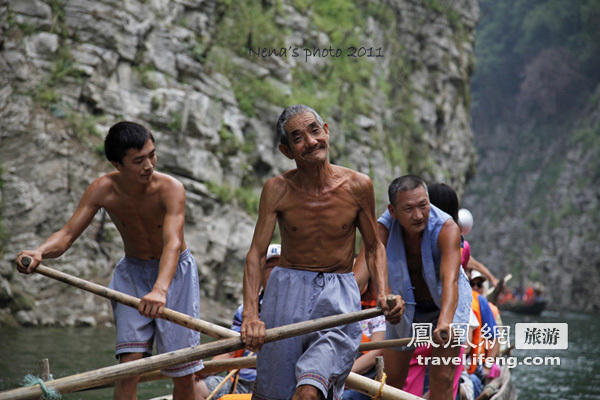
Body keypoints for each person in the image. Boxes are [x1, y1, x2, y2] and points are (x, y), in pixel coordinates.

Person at [15, 121, 202, 400]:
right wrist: (39, 252)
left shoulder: (171, 188)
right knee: (128, 369)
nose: (149, 165)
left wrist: (161, 289)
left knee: (182, 370)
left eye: (152, 155)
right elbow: (66, 235)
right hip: (132, 274)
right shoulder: (102, 189)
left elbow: (172, 243)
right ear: (117, 164)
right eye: (138, 161)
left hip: (174, 274)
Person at [240, 104, 404, 400]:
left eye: (315, 131)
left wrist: (384, 293)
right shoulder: (276, 189)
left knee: (309, 392)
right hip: (285, 293)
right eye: (298, 138)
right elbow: (256, 254)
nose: (311, 141)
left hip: (338, 295)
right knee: (274, 393)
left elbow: (373, 246)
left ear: (326, 131)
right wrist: (252, 315)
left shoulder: (358, 186)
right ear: (286, 151)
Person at [355, 175, 472, 400]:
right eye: (408, 209)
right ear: (393, 210)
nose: (418, 215)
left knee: (442, 378)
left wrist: (445, 321)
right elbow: (357, 279)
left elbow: (450, 280)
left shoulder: (447, 227)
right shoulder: (382, 229)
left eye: (423, 205)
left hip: (448, 304)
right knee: (391, 382)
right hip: (403, 307)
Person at [195, 244, 281, 399]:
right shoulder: (246, 311)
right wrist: (204, 370)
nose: (275, 272)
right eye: (269, 267)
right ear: (259, 273)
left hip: (275, 387)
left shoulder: (296, 311)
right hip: (239, 384)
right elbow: (230, 351)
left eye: (279, 267)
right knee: (194, 388)